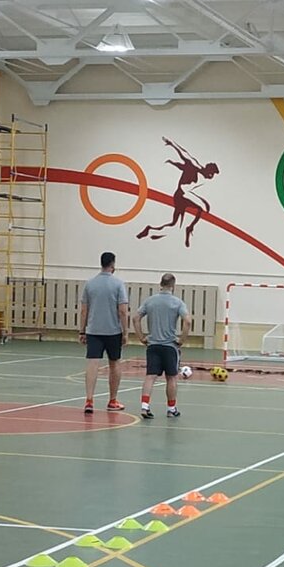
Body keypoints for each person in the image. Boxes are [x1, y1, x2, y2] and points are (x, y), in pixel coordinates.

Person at [136, 137, 219, 248]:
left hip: (184, 197)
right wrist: (172, 144)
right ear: (208, 170)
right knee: (193, 213)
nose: (211, 177)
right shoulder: (195, 166)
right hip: (181, 196)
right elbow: (185, 155)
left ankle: (151, 229)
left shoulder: (201, 178)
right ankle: (187, 228)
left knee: (175, 224)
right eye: (211, 174)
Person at [133, 273, 191, 420]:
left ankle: (145, 406)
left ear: (161, 284)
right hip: (170, 346)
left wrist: (141, 337)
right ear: (173, 286)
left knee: (150, 376)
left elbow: (136, 318)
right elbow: (187, 321)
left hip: (153, 345)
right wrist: (182, 339)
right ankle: (171, 409)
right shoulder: (177, 302)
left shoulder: (150, 301)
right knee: (171, 378)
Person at [79, 251, 129, 415]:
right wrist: (125, 332)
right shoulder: (118, 284)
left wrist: (82, 330)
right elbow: (122, 310)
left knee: (92, 363)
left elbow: (84, 310)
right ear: (113, 264)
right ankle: (112, 400)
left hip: (94, 330)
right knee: (114, 363)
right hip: (113, 331)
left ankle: (89, 400)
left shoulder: (90, 284)